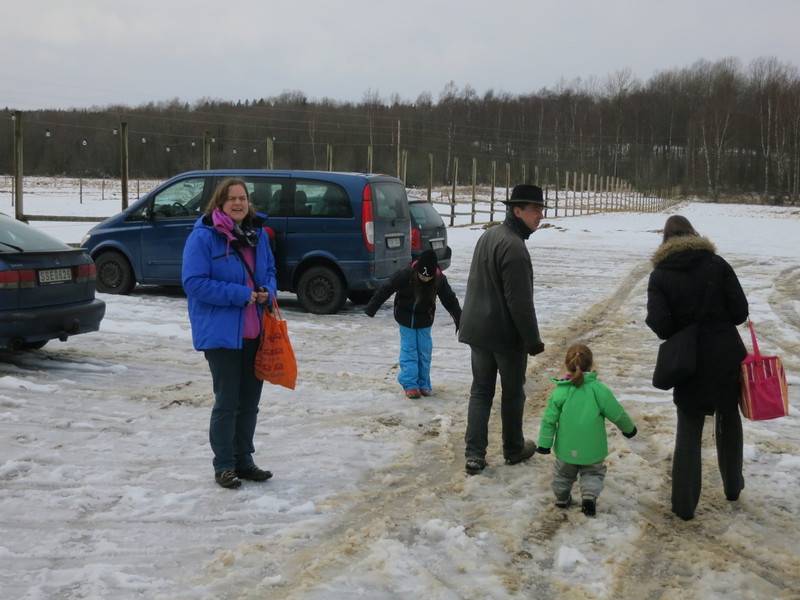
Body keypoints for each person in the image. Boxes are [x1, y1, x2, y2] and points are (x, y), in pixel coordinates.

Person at [646, 215, 749, 520]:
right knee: (729, 418)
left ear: (665, 239)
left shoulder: (660, 275)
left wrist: (681, 330)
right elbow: (739, 311)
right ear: (693, 233)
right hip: (726, 354)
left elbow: (660, 323)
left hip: (688, 359)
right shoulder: (717, 265)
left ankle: (684, 506)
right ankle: (733, 487)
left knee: (689, 429)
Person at [182, 177, 278, 490]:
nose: (238, 203)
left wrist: (267, 291)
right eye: (231, 198)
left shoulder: (257, 235)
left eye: (243, 198)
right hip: (221, 334)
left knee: (249, 402)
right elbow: (193, 282)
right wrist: (238, 294)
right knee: (227, 402)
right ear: (220, 203)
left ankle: (244, 460)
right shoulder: (203, 237)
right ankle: (223, 465)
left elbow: (271, 272)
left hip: (255, 332)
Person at [457, 184, 546, 475]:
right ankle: (513, 448)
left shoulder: (490, 234)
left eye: (541, 210)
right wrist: (532, 340)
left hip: (477, 329)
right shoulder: (514, 247)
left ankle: (474, 455)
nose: (540, 216)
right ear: (517, 211)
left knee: (481, 391)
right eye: (535, 210)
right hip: (504, 335)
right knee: (512, 393)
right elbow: (520, 302)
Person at [535, 344, 637, 516]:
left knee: (563, 475)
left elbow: (549, 420)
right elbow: (617, 413)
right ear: (591, 364)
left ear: (567, 364)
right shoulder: (598, 390)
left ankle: (561, 498)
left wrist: (544, 444)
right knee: (592, 473)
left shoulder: (561, 392)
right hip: (593, 449)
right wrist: (629, 429)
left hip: (566, 448)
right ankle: (589, 497)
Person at [364, 249, 462, 398]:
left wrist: (459, 320)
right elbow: (386, 289)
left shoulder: (439, 279)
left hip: (425, 318)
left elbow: (450, 300)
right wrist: (371, 308)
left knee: (424, 351)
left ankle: (423, 384)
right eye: (422, 276)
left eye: (428, 277)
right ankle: (410, 385)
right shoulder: (405, 274)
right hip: (405, 316)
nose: (425, 279)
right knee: (409, 350)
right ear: (417, 271)